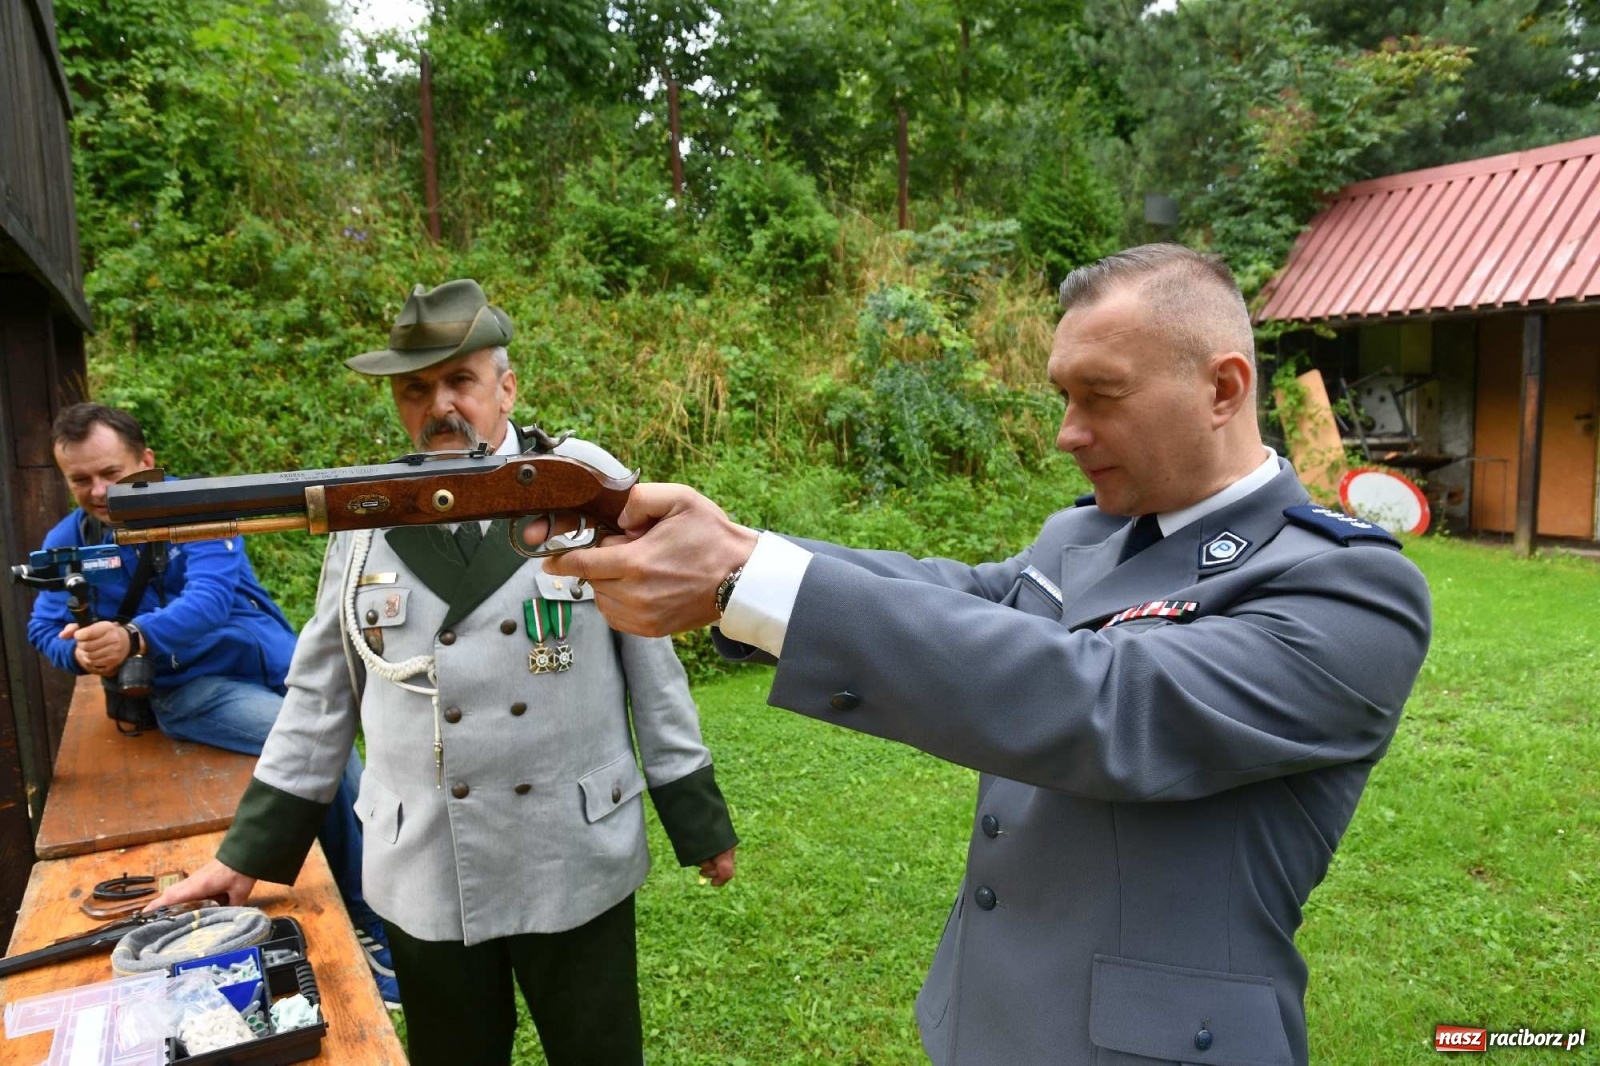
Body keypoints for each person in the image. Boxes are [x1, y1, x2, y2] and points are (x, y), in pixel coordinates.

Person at [540, 245, 1433, 1065]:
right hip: (990, 1021)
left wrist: (748, 577)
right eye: (1064, 397)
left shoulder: (1346, 589)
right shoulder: (1088, 535)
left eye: (1101, 394)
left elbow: (1110, 707)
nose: (1066, 433)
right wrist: (732, 545)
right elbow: (957, 596)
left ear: (1224, 389)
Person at [151, 279, 739, 1066]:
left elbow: (654, 655)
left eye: (460, 380)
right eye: (416, 388)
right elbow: (320, 698)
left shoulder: (584, 484)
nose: (440, 406)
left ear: (507, 387)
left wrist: (694, 814)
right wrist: (245, 855)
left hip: (573, 848)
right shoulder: (366, 520)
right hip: (426, 865)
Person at [27, 403, 398, 1007]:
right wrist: (83, 654)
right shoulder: (68, 542)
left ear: (147, 462)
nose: (98, 491)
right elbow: (42, 627)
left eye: (112, 473)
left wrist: (134, 637)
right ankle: (374, 925)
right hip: (194, 695)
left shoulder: (196, 510)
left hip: (277, 668)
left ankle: (371, 905)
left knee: (342, 760)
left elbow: (211, 599)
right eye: (81, 480)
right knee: (328, 763)